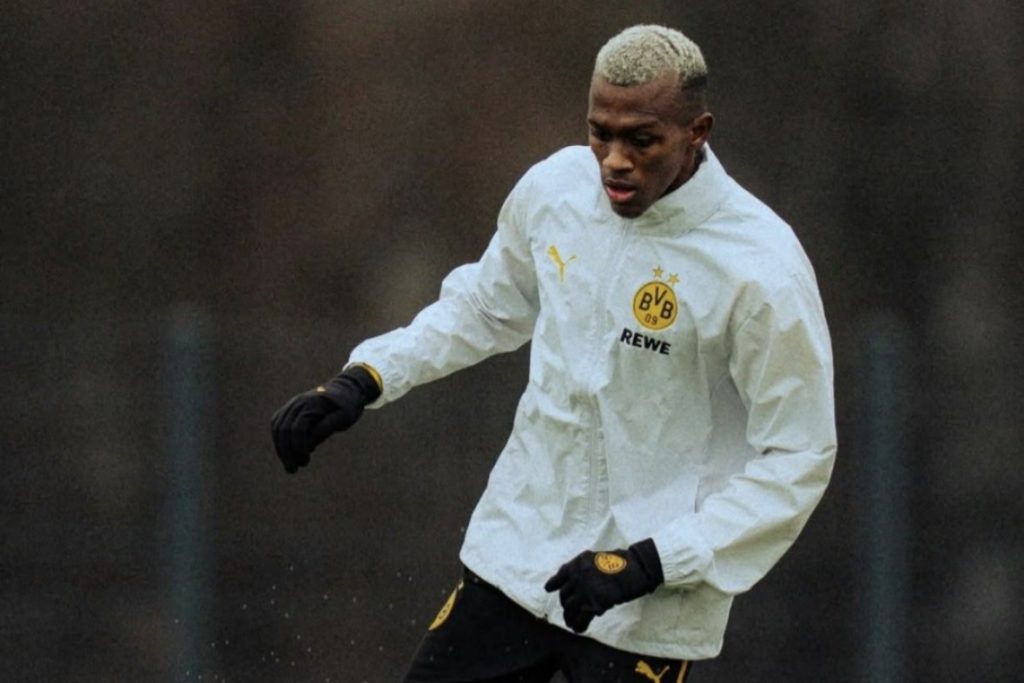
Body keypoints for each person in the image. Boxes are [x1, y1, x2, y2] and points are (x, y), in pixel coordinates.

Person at [272, 24, 836, 682]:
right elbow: (485, 306)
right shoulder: (555, 191)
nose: (615, 160)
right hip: (516, 559)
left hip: (646, 606)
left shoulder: (760, 266)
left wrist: (655, 560)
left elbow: (798, 456)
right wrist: (367, 377)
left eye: (641, 140)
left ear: (697, 132)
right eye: (600, 133)